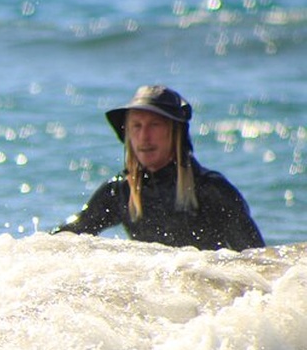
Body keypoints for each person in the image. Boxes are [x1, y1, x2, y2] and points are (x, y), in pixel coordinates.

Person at [52, 85, 264, 251]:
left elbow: (256, 259)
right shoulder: (121, 192)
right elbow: (68, 236)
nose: (144, 137)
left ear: (175, 132)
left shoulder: (211, 189)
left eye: (155, 125)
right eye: (137, 126)